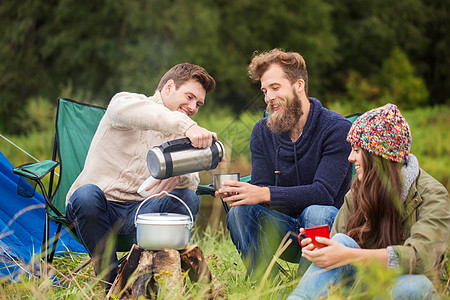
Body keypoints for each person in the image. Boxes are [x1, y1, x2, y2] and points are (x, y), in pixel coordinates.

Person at [65, 63, 216, 287]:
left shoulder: (181, 132)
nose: (193, 107)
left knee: (187, 198)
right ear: (168, 87)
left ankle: (152, 275)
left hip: (142, 215)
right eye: (190, 96)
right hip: (98, 210)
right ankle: (110, 282)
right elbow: (150, 114)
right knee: (86, 194)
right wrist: (188, 126)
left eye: (199, 104)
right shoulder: (124, 103)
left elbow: (191, 183)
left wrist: (182, 174)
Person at [288, 103, 450, 299]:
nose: (350, 157)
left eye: (357, 150)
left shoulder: (432, 195)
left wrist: (348, 255)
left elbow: (422, 258)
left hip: (409, 284)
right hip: (367, 283)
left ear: (378, 156)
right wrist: (322, 250)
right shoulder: (359, 190)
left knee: (412, 287)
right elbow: (339, 243)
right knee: (340, 241)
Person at [216, 49, 353, 280]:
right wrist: (243, 195)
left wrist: (263, 193)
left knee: (316, 212)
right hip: (283, 229)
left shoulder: (336, 129)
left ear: (299, 85)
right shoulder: (262, 131)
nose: (268, 97)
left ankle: (308, 286)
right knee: (239, 212)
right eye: (264, 91)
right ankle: (268, 286)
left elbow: (324, 194)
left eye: (275, 88)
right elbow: (260, 193)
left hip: (329, 229)